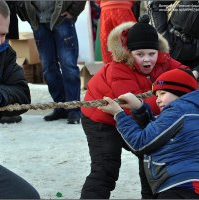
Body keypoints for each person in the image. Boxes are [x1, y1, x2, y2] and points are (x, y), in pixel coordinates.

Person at [80, 14, 199, 199]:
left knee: (151, 156)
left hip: (135, 115)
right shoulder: (118, 69)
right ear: (128, 53)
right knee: (106, 170)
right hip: (103, 119)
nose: (147, 59)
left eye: (152, 53)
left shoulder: (165, 61)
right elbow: (132, 106)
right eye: (140, 54)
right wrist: (177, 103)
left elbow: (184, 75)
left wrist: (192, 75)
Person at [99, 68, 199, 199]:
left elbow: (141, 143)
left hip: (180, 186)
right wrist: (139, 108)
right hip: (189, 183)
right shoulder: (190, 110)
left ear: (181, 92)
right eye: (156, 95)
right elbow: (158, 133)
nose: (157, 100)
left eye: (163, 93)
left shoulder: (178, 111)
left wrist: (119, 115)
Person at [19, 1, 86, 124]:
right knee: (48, 68)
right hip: (38, 22)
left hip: (62, 19)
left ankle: (73, 108)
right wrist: (25, 13)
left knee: (68, 66)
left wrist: (73, 11)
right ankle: (60, 106)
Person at [0, 1, 40, 198]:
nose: (1, 41)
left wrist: (0, 95)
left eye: (4, 34)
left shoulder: (4, 53)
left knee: (26, 196)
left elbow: (22, 95)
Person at [148, 1, 199, 69]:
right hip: (163, 45)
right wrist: (161, 33)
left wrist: (196, 70)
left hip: (191, 58)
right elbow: (156, 3)